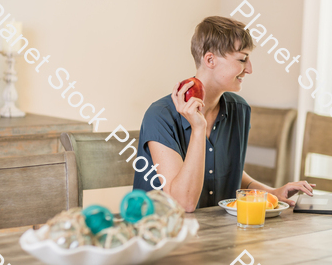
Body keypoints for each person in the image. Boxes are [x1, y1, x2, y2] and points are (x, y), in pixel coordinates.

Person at [133, 16, 315, 212]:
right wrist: (198, 129)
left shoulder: (239, 110)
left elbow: (227, 171)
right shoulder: (160, 116)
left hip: (218, 232)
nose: (250, 69)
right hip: (162, 234)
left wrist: (272, 193)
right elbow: (183, 203)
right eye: (242, 59)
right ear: (210, 59)